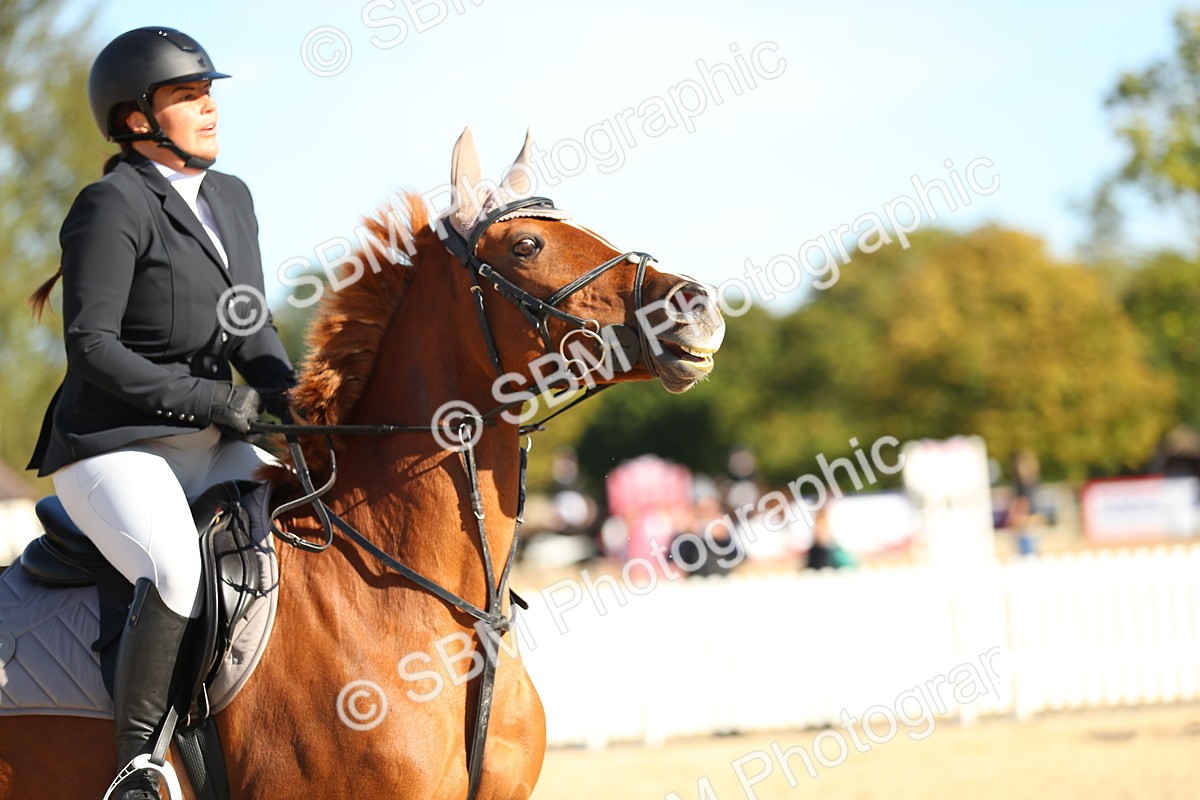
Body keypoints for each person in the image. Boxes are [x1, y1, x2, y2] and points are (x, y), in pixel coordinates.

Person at [25, 27, 295, 800]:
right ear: (137, 118)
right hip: (114, 447)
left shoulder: (232, 197)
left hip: (213, 443)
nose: (209, 108)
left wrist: (293, 400)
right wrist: (217, 399)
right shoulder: (110, 203)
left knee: (312, 515)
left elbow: (250, 325)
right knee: (174, 566)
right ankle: (138, 764)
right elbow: (93, 349)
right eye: (187, 95)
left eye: (208, 92)